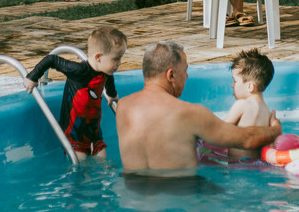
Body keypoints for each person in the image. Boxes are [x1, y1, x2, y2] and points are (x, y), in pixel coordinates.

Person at [116, 41, 281, 173]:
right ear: (171, 75)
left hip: (133, 197)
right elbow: (246, 140)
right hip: (181, 194)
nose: (187, 76)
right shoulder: (189, 113)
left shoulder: (123, 106)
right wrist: (275, 129)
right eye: (185, 71)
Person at [23, 25, 127, 158]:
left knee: (104, 160)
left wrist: (112, 94)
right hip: (73, 134)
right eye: (116, 59)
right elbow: (52, 59)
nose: (120, 62)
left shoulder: (105, 70)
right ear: (98, 57)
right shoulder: (78, 70)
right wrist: (32, 77)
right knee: (80, 163)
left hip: (93, 132)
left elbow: (109, 79)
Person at [222, 48, 275, 161]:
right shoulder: (267, 111)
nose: (232, 85)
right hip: (256, 164)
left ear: (250, 86)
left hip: (237, 165)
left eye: (235, 81)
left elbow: (220, 129)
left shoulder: (242, 105)